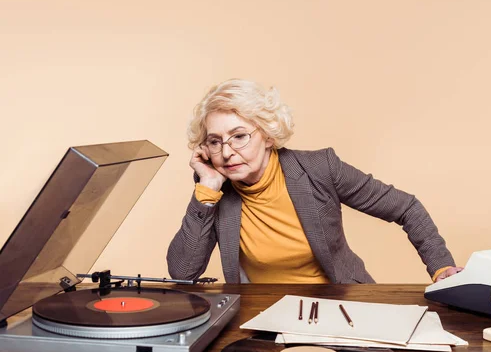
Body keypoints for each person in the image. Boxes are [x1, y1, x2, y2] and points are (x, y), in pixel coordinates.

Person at [167, 79, 463, 284]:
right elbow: (183, 271)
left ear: (268, 134)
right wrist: (207, 188)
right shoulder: (214, 188)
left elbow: (405, 208)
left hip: (341, 306)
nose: (227, 152)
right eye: (215, 141)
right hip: (261, 318)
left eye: (239, 136)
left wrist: (441, 267)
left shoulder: (320, 168)